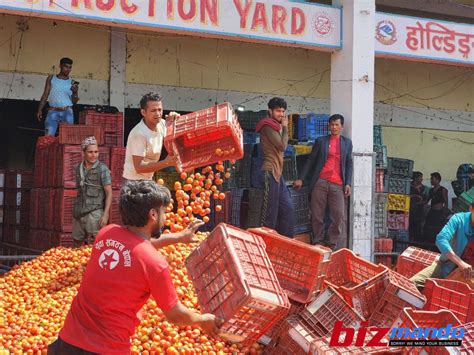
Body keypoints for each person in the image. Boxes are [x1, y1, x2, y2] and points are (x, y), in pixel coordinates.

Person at [49, 180, 221, 354]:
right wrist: (202, 320)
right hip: (107, 349)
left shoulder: (105, 234)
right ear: (153, 214)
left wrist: (178, 237)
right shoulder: (155, 264)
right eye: (164, 212)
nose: (166, 217)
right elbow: (174, 315)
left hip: (67, 342)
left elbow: (136, 245)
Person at [293, 114, 353, 250]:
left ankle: (332, 244)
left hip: (338, 184)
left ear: (341, 126)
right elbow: (311, 160)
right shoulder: (321, 141)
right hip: (320, 181)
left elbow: (349, 163)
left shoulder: (347, 143)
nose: (334, 127)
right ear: (328, 126)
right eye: (331, 124)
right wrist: (301, 178)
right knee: (317, 215)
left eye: (337, 125)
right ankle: (319, 242)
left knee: (338, 216)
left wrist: (348, 182)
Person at [254, 97, 295, 237]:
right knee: (271, 213)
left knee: (288, 208)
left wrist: (282, 128)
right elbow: (282, 146)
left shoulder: (275, 126)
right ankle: (266, 242)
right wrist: (285, 127)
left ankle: (286, 241)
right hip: (270, 171)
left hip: (278, 173)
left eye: (283, 111)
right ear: (270, 111)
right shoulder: (267, 126)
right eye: (278, 111)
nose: (281, 114)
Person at [410, 201, 473, 289]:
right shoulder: (459, 219)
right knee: (411, 285)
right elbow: (441, 239)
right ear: (471, 209)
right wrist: (460, 263)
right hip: (446, 266)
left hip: (469, 278)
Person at [123, 92, 180, 182]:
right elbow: (139, 167)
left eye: (160, 110)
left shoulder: (161, 124)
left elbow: (176, 132)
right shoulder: (139, 134)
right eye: (153, 110)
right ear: (143, 112)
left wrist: (175, 119)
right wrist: (166, 162)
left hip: (148, 179)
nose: (158, 114)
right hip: (133, 182)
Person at [72, 137, 113, 247]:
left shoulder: (102, 169)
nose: (93, 155)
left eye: (96, 152)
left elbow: (109, 193)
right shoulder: (78, 168)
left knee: (98, 242)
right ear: (83, 153)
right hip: (79, 211)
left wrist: (105, 215)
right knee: (77, 241)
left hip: (95, 212)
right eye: (90, 152)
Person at [37, 57, 79, 136]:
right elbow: (45, 94)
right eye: (66, 67)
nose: (68, 69)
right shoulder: (51, 78)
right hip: (53, 111)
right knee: (48, 137)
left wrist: (75, 92)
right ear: (60, 66)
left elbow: (74, 101)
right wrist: (39, 109)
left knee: (67, 138)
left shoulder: (72, 82)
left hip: (67, 112)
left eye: (70, 67)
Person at [423, 172, 449, 246]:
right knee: (427, 226)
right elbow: (427, 200)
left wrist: (444, 213)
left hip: (439, 212)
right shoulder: (431, 190)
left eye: (432, 179)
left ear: (437, 180)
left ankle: (437, 243)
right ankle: (429, 242)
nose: (431, 181)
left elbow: (446, 202)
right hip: (432, 211)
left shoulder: (443, 190)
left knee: (438, 228)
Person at [409, 171, 429, 241]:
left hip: (420, 212)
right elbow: (405, 196)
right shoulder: (409, 187)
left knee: (418, 229)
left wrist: (421, 203)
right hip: (409, 211)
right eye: (420, 177)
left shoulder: (424, 188)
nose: (422, 179)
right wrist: (415, 195)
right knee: (410, 228)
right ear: (415, 178)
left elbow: (426, 200)